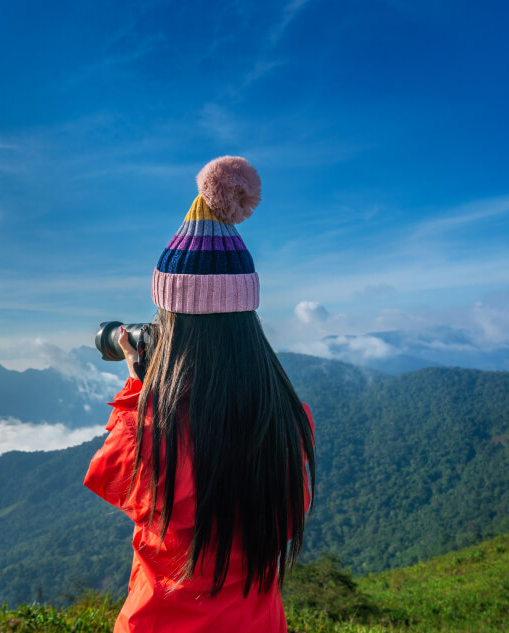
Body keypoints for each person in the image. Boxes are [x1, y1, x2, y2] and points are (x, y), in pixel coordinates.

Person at [83, 156, 315, 633]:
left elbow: (112, 479)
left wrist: (141, 387)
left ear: (174, 326)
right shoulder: (291, 421)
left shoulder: (149, 438)